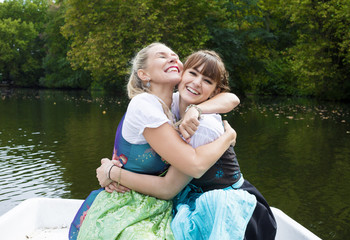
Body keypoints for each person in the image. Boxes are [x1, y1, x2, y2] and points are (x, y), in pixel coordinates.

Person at [97, 50, 277, 240]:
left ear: (215, 92)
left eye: (207, 81)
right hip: (193, 198)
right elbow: (231, 99)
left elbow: (169, 187)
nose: (197, 82)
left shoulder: (203, 127)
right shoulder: (173, 103)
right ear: (182, 74)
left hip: (228, 208)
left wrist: (113, 174)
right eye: (193, 73)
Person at [69, 43, 238, 239]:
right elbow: (190, 168)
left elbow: (232, 98)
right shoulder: (145, 105)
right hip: (127, 203)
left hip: (161, 201)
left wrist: (199, 111)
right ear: (144, 74)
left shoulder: (175, 104)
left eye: (175, 56)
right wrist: (111, 171)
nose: (173, 59)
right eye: (162, 56)